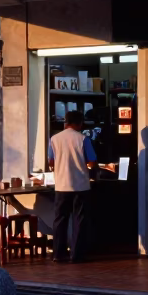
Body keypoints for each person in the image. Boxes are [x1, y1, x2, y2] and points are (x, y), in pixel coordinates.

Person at [47, 110, 97, 263]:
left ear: (65, 122)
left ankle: (58, 254)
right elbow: (92, 162)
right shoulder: (83, 139)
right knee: (79, 220)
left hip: (61, 186)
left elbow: (51, 162)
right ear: (79, 123)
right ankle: (76, 255)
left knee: (60, 220)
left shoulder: (54, 139)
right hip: (80, 186)